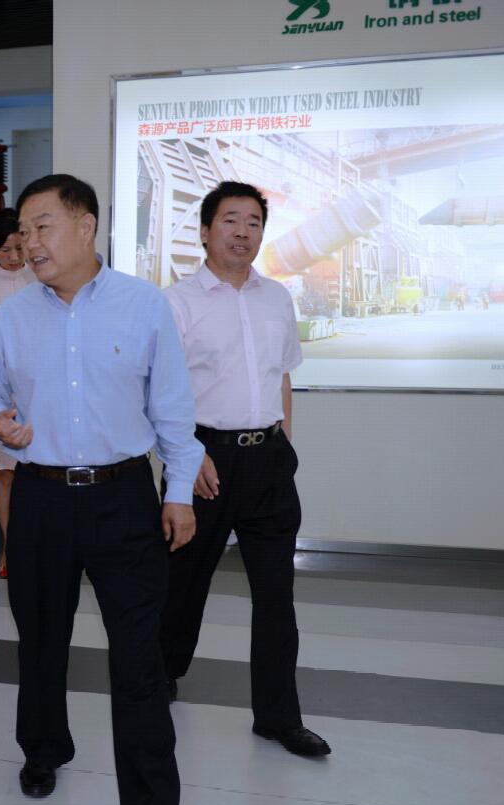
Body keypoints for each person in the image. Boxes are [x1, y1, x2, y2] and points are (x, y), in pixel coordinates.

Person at [0, 174, 202, 805]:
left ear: (85, 225)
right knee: (40, 637)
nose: (28, 242)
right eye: (23, 230)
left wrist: (179, 493)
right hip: (39, 500)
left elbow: (173, 410)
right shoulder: (11, 316)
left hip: (123, 497)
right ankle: (43, 749)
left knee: (139, 659)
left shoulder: (143, 305)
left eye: (42, 226)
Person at [159, 181, 331, 759]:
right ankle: (162, 674)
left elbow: (283, 376)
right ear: (206, 230)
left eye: (254, 222)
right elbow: (160, 391)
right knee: (183, 584)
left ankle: (279, 718)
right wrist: (186, 456)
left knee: (277, 596)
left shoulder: (276, 298)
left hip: (267, 462)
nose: (242, 232)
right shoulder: (176, 302)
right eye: (231, 220)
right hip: (202, 458)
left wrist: (285, 446)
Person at [0, 209, 38, 578]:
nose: (15, 257)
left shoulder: (41, 277)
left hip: (39, 387)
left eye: (20, 247)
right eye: (6, 250)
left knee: (40, 474)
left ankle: (39, 546)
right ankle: (9, 545)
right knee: (6, 474)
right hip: (3, 390)